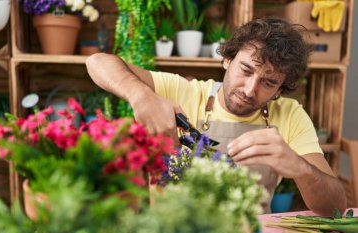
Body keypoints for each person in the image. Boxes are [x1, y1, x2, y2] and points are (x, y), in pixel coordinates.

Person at [86, 17, 346, 215]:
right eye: (246, 70)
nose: (249, 89)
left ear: (281, 88)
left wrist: (300, 168)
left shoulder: (289, 116)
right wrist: (140, 95)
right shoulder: (184, 92)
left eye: (269, 83)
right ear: (227, 60)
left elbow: (335, 208)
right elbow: (97, 62)